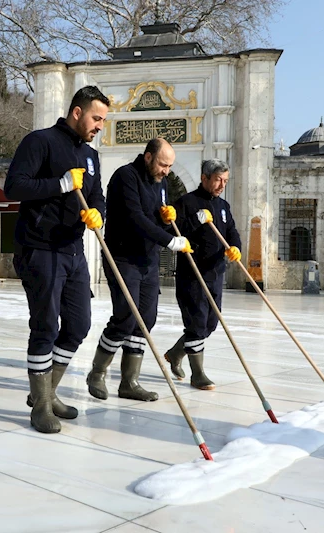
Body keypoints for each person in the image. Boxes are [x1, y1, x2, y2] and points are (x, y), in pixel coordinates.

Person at [5, 86, 108, 434]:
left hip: (72, 250)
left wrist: (97, 212)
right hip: (40, 247)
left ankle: (47, 393)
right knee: (46, 326)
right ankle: (41, 406)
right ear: (77, 112)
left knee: (78, 325)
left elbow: (97, 196)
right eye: (96, 118)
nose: (99, 126)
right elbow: (14, 187)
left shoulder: (91, 156)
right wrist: (60, 185)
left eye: (103, 120)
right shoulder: (40, 142)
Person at [86, 138, 192, 403]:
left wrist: (166, 221)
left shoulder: (161, 183)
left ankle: (129, 382)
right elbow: (135, 219)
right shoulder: (125, 177)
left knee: (146, 319)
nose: (166, 171)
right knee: (126, 317)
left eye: (170, 166)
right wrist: (169, 241)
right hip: (122, 257)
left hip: (148, 260)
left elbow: (154, 220)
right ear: (148, 157)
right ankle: (97, 372)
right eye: (163, 164)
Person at [164, 159, 242, 391]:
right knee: (197, 323)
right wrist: (196, 220)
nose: (222, 185)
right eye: (218, 180)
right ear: (204, 178)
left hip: (215, 272)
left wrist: (235, 246)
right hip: (192, 273)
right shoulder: (187, 202)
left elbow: (231, 231)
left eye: (225, 181)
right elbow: (173, 231)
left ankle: (176, 353)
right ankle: (197, 374)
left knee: (210, 323)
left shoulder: (224, 206)